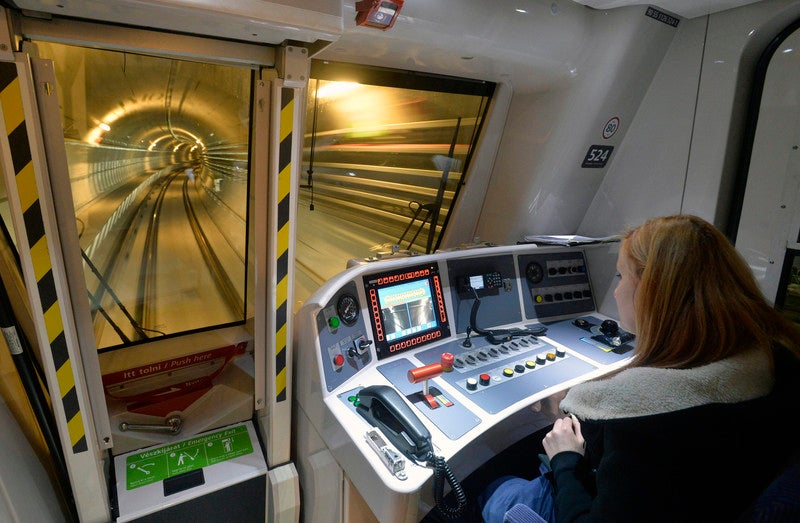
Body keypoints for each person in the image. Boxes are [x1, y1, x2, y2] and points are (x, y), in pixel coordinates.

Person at [478, 214, 800, 522]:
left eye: (621, 276)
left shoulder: (645, 429)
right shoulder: (775, 361)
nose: (616, 290)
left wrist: (565, 461)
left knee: (492, 487)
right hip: (712, 501)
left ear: (652, 292)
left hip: (586, 494)